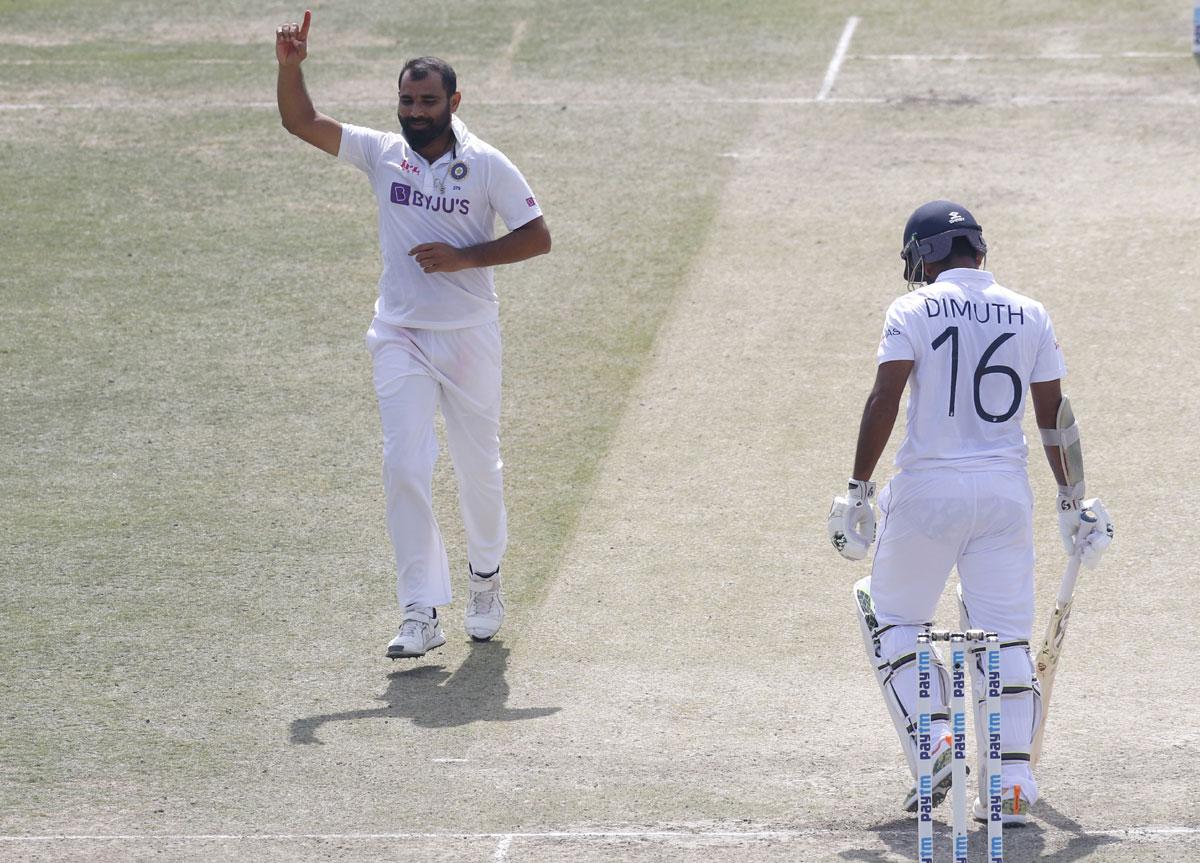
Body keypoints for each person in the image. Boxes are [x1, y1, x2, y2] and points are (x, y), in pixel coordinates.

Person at [275, 11, 552, 659]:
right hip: (398, 332)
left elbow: (538, 237)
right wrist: (291, 68)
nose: (416, 110)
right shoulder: (381, 152)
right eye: (407, 100)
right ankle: (420, 609)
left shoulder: (486, 164)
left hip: (467, 337)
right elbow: (301, 122)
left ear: (454, 102)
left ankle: (485, 580)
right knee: (404, 463)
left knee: (478, 466)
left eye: (429, 101)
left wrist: (465, 258)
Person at [828, 201, 1113, 824]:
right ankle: (1011, 788)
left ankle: (936, 746)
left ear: (925, 255)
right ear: (978, 250)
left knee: (891, 616)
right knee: (1004, 638)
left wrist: (857, 487)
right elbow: (1054, 418)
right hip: (1006, 495)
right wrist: (1074, 500)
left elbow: (885, 397)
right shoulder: (1030, 311)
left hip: (929, 491)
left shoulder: (911, 309)